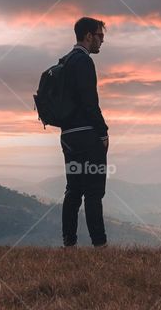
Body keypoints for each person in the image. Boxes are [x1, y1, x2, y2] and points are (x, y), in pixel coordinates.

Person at [59, 16, 109, 247]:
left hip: (68, 135)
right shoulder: (84, 62)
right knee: (94, 191)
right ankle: (99, 244)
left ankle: (69, 243)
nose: (101, 41)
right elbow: (90, 102)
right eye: (99, 36)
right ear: (88, 36)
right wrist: (103, 132)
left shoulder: (65, 61)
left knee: (74, 189)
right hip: (87, 135)